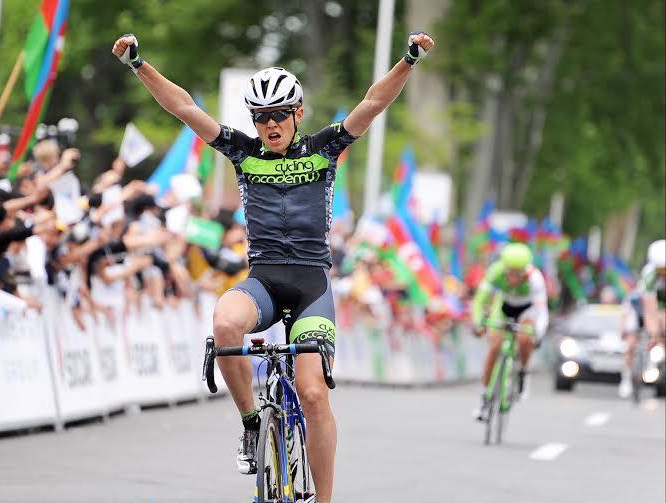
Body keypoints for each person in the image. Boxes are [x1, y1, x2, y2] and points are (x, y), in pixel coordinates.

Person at [112, 30, 435, 502]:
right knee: (225, 324)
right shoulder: (243, 153)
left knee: (313, 393)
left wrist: (409, 59)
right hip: (263, 280)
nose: (270, 124)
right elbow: (184, 108)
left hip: (311, 286)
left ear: (298, 113)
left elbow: (372, 102)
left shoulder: (324, 148)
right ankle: (250, 423)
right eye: (260, 117)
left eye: (279, 114)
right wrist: (138, 64)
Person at [471, 243, 548, 420]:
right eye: (510, 273)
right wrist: (478, 323)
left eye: (518, 274)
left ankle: (523, 372)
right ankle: (485, 399)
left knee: (524, 338)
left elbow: (542, 311)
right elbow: (480, 300)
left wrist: (539, 333)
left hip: (527, 310)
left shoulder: (535, 279)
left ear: (525, 271)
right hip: (504, 307)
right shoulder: (495, 272)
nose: (513, 277)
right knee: (494, 347)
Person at [619, 239, 665, 398]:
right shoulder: (649, 275)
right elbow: (650, 310)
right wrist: (654, 333)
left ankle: (655, 364)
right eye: (661, 269)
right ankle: (626, 379)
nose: (664, 273)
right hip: (638, 306)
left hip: (661, 302)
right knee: (631, 343)